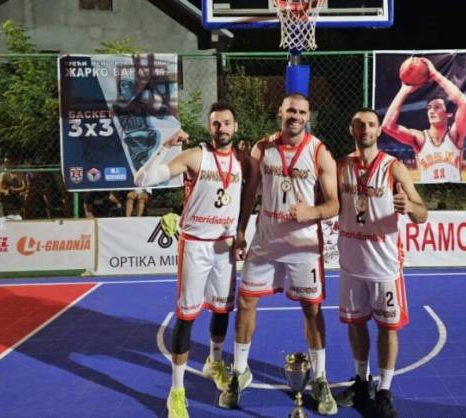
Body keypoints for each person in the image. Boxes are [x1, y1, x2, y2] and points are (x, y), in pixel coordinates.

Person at [219, 93, 340, 415]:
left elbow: (334, 204)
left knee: (312, 308)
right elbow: (248, 194)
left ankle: (320, 377)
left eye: (301, 112)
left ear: (308, 116)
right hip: (266, 240)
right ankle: (240, 371)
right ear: (280, 112)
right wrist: (241, 231)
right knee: (246, 301)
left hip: (303, 245)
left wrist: (312, 211)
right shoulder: (262, 148)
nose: (295, 116)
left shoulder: (319, 151)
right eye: (290, 110)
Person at [134, 101, 243, 418]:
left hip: (224, 247)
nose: (221, 128)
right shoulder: (196, 156)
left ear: (235, 127)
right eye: (216, 123)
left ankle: (214, 361)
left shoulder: (242, 161)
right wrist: (165, 146)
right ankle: (177, 392)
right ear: (210, 127)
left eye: (226, 122)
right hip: (195, 246)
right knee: (186, 316)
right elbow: (142, 179)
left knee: (222, 309)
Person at [335, 109, 428, 418]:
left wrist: (410, 205)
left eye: (371, 124)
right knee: (356, 324)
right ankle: (362, 382)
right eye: (359, 124)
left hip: (384, 265)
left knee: (388, 328)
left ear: (378, 130)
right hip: (350, 264)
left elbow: (423, 213)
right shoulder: (341, 166)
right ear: (351, 129)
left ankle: (385, 390)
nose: (365, 129)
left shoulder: (393, 167)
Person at [382, 57, 466, 183]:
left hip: (453, 189)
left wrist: (436, 75)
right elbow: (387, 126)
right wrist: (404, 90)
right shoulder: (420, 138)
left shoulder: (455, 136)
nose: (431, 111)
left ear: (449, 114)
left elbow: (464, 103)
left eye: (437, 107)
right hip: (428, 190)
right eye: (429, 108)